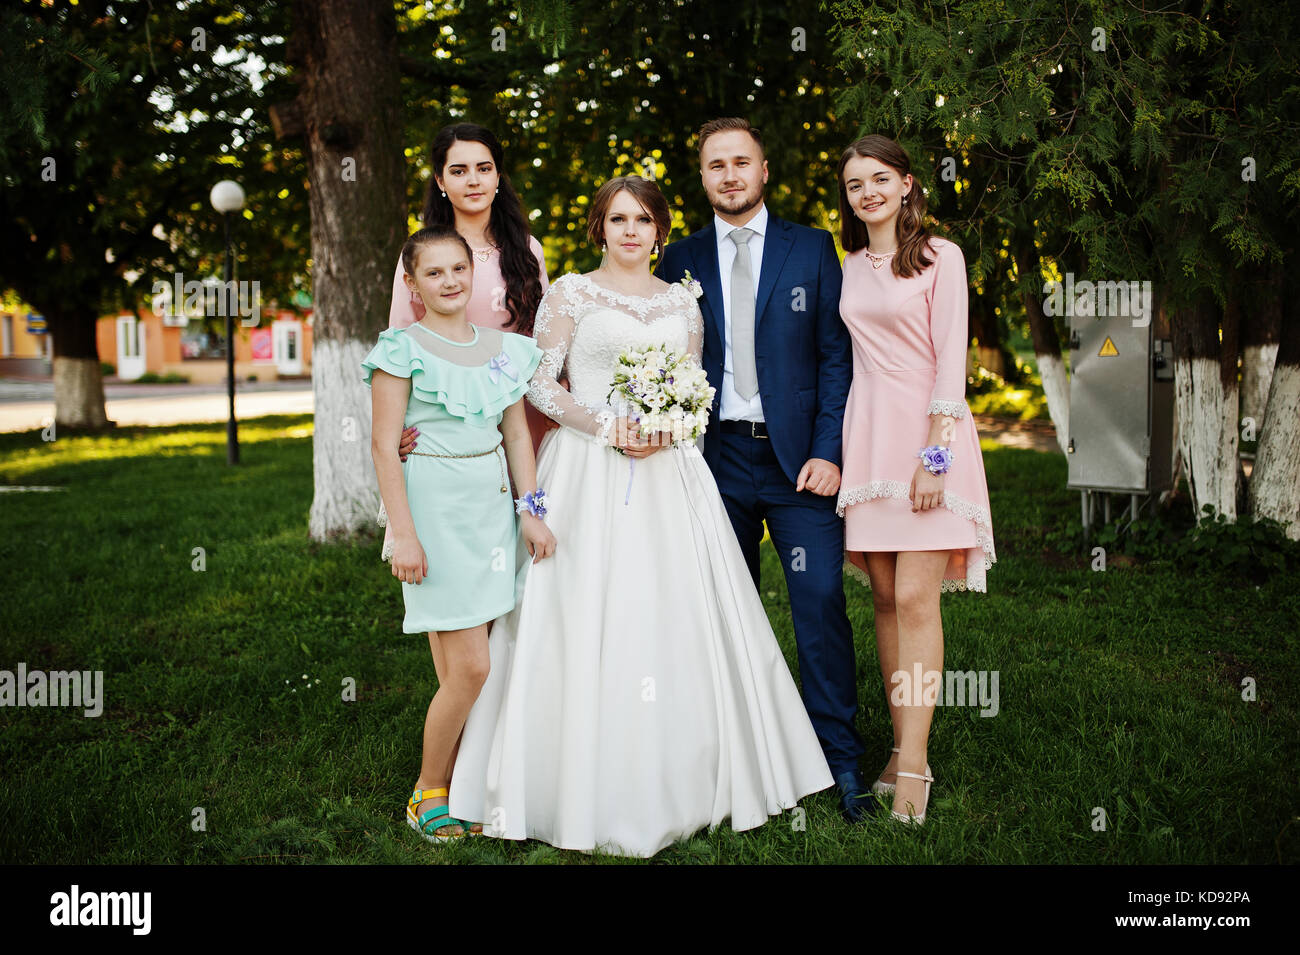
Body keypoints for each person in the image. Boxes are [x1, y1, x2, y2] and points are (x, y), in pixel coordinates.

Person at [446, 176, 834, 857]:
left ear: (660, 230)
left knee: (670, 609)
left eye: (644, 219)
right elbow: (539, 380)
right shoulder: (570, 292)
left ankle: (690, 777)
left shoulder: (682, 302)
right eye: (618, 218)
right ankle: (561, 778)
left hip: (670, 472)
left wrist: (671, 422)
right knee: (584, 608)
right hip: (587, 468)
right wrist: (606, 424)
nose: (631, 230)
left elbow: (696, 386)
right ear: (600, 227)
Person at [656, 118, 873, 822]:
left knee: (817, 605)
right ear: (703, 176)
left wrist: (827, 449)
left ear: (764, 169)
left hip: (798, 464)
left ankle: (839, 761)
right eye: (715, 164)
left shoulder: (811, 248)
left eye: (740, 162)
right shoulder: (680, 257)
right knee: (723, 612)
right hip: (711, 460)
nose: (728, 175)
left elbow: (837, 357)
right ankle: (736, 759)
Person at [362, 225, 553, 842]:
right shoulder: (401, 348)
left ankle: (476, 778)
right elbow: (384, 448)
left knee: (478, 663)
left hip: (493, 510)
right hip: (435, 516)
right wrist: (404, 534)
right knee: (471, 668)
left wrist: (532, 508)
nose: (448, 282)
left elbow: (519, 434)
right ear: (413, 285)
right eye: (434, 273)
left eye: (458, 270)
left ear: (474, 275)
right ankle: (428, 793)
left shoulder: (504, 350)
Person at [835, 134, 996, 825]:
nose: (867, 192)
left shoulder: (940, 257)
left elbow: (949, 362)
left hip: (928, 438)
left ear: (906, 184)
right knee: (882, 598)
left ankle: (914, 768)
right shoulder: (845, 265)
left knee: (915, 598)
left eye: (879, 179)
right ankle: (902, 747)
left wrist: (936, 455)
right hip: (866, 436)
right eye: (854, 184)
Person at [383, 123, 552, 559]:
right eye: (458, 171)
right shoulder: (424, 255)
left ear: (499, 177)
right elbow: (400, 342)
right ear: (440, 181)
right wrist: (397, 423)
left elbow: (544, 336)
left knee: (522, 543)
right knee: (459, 547)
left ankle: (515, 629)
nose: (473, 180)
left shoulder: (527, 250)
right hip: (452, 414)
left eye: (484, 168)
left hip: (521, 409)